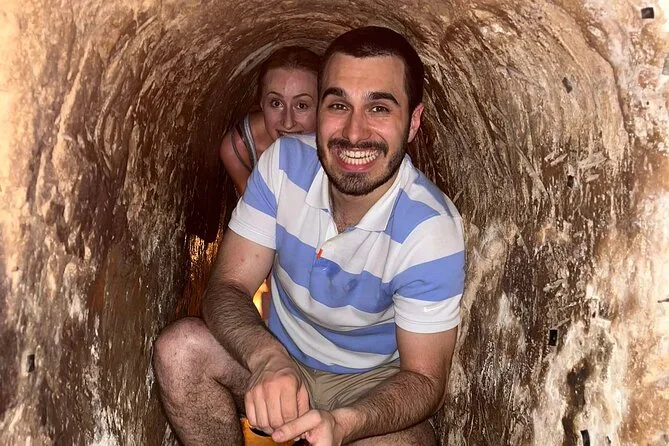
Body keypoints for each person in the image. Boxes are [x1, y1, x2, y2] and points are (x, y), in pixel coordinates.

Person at [153, 26, 465, 445]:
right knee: (180, 350)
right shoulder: (282, 165)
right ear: (319, 112)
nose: (354, 133)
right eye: (338, 105)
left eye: (378, 108)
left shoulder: (430, 229)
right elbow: (227, 287)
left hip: (366, 385)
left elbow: (425, 379)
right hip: (279, 354)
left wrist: (345, 423)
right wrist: (267, 357)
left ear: (413, 122)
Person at [220, 46, 320, 195]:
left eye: (301, 105)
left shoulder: (337, 140)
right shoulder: (239, 149)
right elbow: (255, 206)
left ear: (322, 106)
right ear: (261, 102)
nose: (288, 123)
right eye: (276, 103)